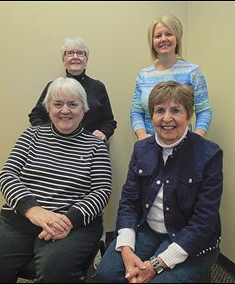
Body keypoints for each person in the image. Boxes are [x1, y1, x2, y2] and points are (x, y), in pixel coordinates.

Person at [0, 77, 112, 283]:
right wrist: (34, 211)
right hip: (20, 221)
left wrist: (69, 220)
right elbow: (7, 175)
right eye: (58, 104)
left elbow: (101, 191)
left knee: (55, 272)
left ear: (84, 108)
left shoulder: (95, 146)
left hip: (70, 226)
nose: (65, 110)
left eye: (73, 104)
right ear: (48, 108)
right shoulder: (30, 136)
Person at [95, 81, 223, 283]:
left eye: (175, 110)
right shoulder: (141, 149)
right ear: (151, 116)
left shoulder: (209, 154)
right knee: (106, 275)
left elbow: (204, 220)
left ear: (188, 115)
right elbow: (129, 202)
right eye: (159, 110)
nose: (167, 118)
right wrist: (127, 252)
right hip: (147, 230)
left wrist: (155, 264)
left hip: (191, 237)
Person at [131, 15, 212, 140]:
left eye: (168, 34)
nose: (163, 39)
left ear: (177, 38)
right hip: (150, 145)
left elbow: (204, 111)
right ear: (152, 42)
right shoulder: (143, 75)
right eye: (158, 36)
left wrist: (196, 140)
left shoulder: (192, 71)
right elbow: (136, 112)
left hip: (183, 145)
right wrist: (143, 137)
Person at [29, 36, 117, 142]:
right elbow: (36, 115)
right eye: (70, 53)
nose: (75, 57)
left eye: (80, 53)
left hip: (89, 147)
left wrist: (103, 133)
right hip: (56, 145)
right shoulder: (53, 87)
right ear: (63, 59)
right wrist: (49, 134)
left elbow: (109, 122)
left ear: (86, 60)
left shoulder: (98, 87)